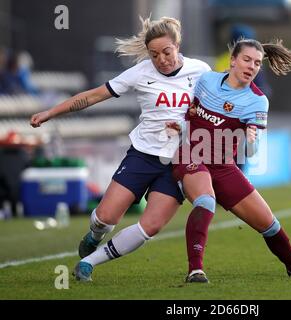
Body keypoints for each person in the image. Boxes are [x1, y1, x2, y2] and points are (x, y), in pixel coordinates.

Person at [30, 16, 211, 282]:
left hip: (179, 162)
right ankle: (95, 235)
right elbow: (92, 96)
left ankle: (88, 263)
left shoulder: (201, 71)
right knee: (105, 217)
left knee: (150, 226)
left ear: (178, 45)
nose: (161, 59)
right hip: (143, 156)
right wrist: (51, 112)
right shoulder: (140, 72)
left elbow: (215, 109)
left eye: (166, 52)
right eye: (154, 54)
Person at [171, 38, 291, 283]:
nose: (251, 66)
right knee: (205, 201)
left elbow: (252, 152)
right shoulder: (206, 80)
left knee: (270, 225)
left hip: (224, 166)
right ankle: (195, 270)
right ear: (233, 60)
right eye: (246, 60)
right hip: (191, 155)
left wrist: (250, 139)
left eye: (257, 63)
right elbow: (189, 113)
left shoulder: (257, 100)